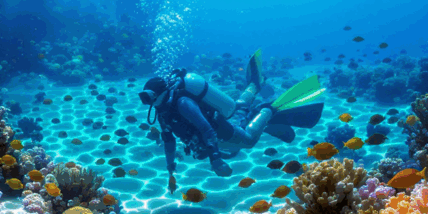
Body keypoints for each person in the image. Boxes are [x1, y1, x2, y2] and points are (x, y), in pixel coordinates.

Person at [138, 50, 325, 191]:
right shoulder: (162, 111)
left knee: (248, 140)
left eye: (148, 97)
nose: (146, 102)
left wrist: (216, 160)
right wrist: (170, 167)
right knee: (239, 109)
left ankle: (268, 109)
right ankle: (254, 85)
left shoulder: (183, 103)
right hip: (218, 130)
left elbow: (205, 129)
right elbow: (168, 140)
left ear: (159, 93)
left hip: (221, 131)